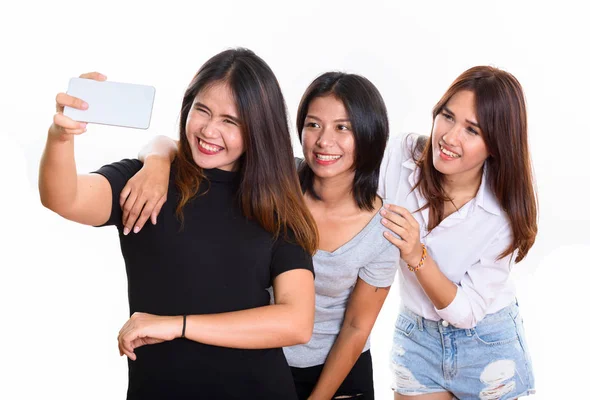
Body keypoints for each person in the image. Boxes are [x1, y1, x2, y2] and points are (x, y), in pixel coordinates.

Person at [38, 48, 319, 400]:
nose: (209, 130)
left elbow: (296, 323)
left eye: (230, 121)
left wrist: (177, 326)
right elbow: (64, 198)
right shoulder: (146, 183)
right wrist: (61, 138)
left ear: (258, 129)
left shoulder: (276, 201)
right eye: (202, 110)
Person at [121, 72, 399, 400]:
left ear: (370, 134)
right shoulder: (275, 182)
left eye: (343, 127)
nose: (324, 141)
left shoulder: (384, 230)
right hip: (257, 360)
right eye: (313, 125)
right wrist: (155, 163)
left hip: (337, 375)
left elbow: (356, 328)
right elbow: (178, 145)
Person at [379, 66, 537, 399]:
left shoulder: (502, 216)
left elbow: (466, 311)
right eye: (447, 117)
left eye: (472, 130)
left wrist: (416, 254)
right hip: (417, 337)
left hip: (487, 346)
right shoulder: (398, 157)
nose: (450, 137)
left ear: (495, 144)